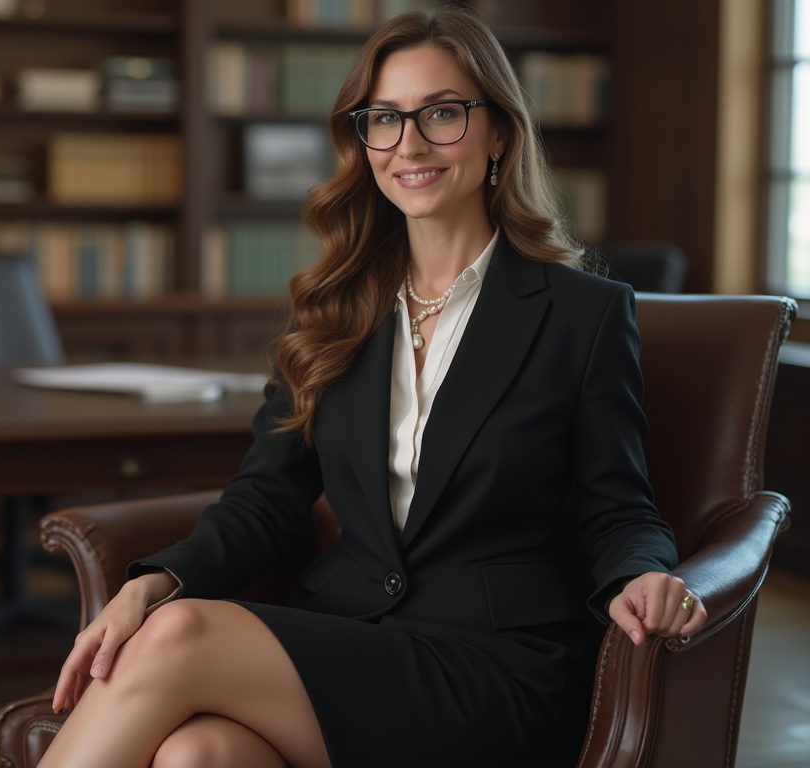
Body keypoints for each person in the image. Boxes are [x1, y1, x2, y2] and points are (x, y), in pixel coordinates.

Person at [37, 6, 709, 768]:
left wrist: (644, 574)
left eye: (442, 114)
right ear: (363, 142)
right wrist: (157, 579)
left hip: (494, 664)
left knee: (183, 633)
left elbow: (621, 506)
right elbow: (266, 499)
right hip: (349, 633)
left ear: (498, 134)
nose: (410, 144)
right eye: (384, 119)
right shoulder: (332, 309)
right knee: (200, 754)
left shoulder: (581, 315)